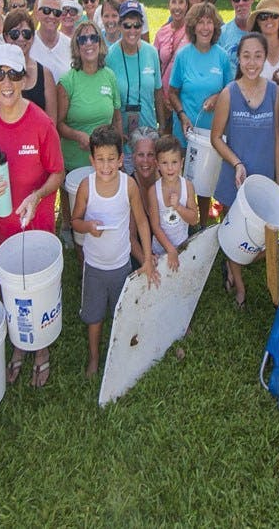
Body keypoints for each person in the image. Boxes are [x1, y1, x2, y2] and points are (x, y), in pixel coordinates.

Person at [0, 44, 64, 388]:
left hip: (35, 229)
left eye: (13, 74)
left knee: (37, 294)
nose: (6, 82)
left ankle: (41, 349)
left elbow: (58, 172)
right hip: (0, 231)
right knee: (8, 292)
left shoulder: (41, 123)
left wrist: (37, 196)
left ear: (25, 79)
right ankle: (19, 344)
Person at [71, 125, 160, 377]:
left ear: (121, 159)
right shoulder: (86, 187)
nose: (106, 166)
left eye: (111, 159)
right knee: (94, 317)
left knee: (123, 313)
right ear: (92, 160)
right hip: (94, 267)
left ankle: (120, 355)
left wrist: (146, 260)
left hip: (121, 266)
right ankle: (94, 357)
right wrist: (88, 227)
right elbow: (75, 221)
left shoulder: (128, 185)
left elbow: (141, 222)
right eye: (100, 159)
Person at [211, 33, 279, 308]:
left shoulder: (274, 92)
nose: (252, 63)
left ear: (265, 58)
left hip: (263, 178)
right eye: (246, 56)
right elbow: (216, 138)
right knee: (233, 233)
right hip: (235, 176)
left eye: (258, 56)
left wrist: (277, 180)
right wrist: (237, 163)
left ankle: (239, 266)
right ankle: (239, 285)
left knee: (261, 237)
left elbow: (276, 137)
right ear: (238, 59)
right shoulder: (229, 93)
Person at [169, 2, 234, 226]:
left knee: (206, 182)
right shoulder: (183, 56)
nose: (205, 27)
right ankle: (182, 224)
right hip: (186, 130)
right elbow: (172, 92)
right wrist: (182, 115)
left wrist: (217, 97)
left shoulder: (222, 57)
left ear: (215, 27)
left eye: (209, 22)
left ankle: (203, 224)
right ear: (193, 26)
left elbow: (230, 90)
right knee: (183, 179)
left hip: (213, 132)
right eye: (201, 22)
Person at [57, 21, 122, 243]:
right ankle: (68, 226)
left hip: (103, 160)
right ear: (76, 46)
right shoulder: (67, 81)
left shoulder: (109, 76)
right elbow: (59, 124)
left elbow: (116, 117)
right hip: (75, 160)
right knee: (77, 213)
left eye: (93, 37)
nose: (88, 43)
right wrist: (77, 135)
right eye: (82, 39)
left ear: (100, 43)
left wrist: (119, 151)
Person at [107, 0, 163, 172]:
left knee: (149, 180)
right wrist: (115, 132)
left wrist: (162, 126)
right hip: (122, 136)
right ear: (119, 26)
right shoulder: (110, 56)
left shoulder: (151, 52)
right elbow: (108, 99)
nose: (132, 30)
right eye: (127, 25)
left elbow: (158, 92)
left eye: (137, 25)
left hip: (149, 133)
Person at [248, 0, 279, 177]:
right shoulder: (253, 49)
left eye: (274, 16)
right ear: (257, 22)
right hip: (260, 112)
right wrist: (273, 83)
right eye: (264, 17)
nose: (269, 20)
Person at [146, 134, 199, 271]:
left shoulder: (188, 186)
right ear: (157, 164)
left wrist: (178, 207)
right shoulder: (154, 191)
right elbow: (155, 226)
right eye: (164, 163)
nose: (170, 168)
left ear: (182, 162)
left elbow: (194, 220)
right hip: (160, 250)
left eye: (174, 162)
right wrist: (170, 250)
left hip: (182, 247)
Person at [2, 9, 57, 123]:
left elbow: (51, 122)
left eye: (26, 34)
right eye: (14, 34)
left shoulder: (45, 75)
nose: (21, 38)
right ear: (5, 36)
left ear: (32, 37)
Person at [154, 0, 191, 134]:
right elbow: (156, 68)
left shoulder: (193, 32)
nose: (177, 7)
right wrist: (162, 98)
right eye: (174, 2)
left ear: (187, 5)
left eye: (181, 2)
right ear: (168, 5)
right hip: (164, 101)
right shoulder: (161, 33)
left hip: (185, 99)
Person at [126, 127, 160, 269]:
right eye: (140, 155)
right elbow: (131, 237)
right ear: (133, 157)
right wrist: (146, 260)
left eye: (150, 154)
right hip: (140, 248)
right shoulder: (129, 186)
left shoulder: (167, 180)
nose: (145, 161)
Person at [31, 0, 72, 83]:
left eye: (57, 12)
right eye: (46, 10)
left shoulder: (70, 45)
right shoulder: (27, 43)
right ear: (37, 13)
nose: (51, 16)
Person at [218, 0, 255, 73]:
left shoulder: (262, 31)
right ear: (232, 2)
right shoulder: (221, 34)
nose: (241, 3)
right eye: (236, 0)